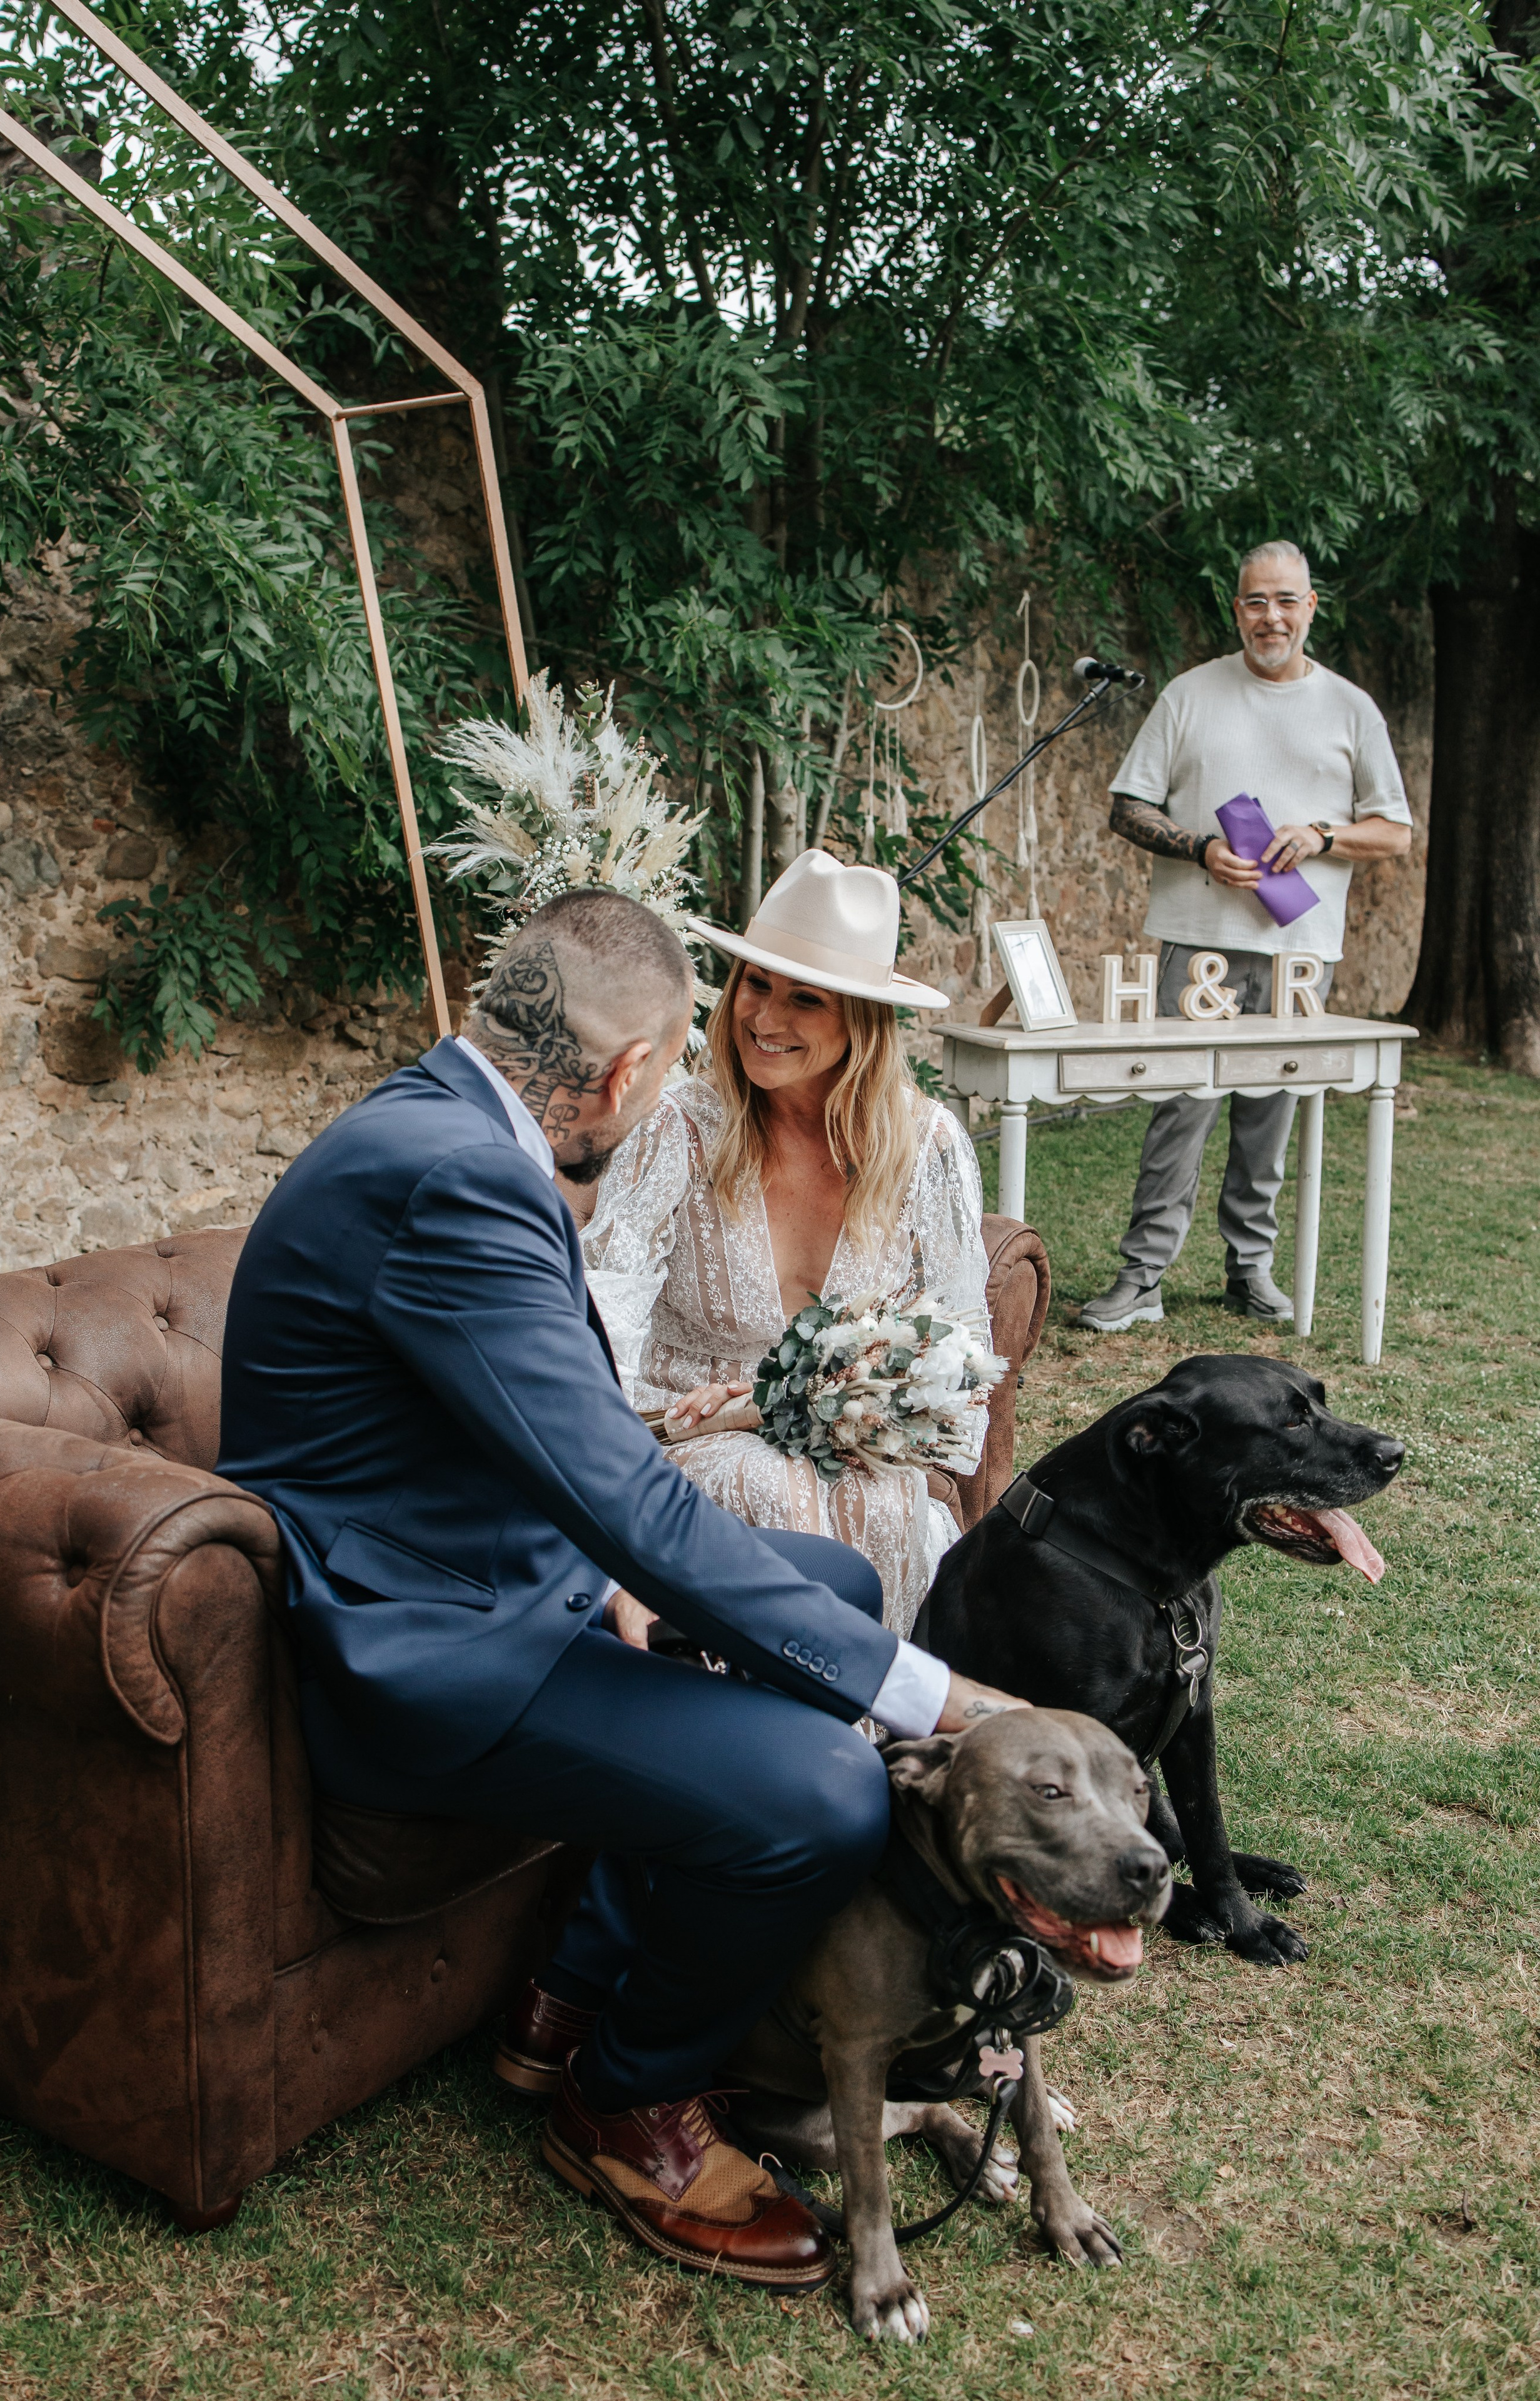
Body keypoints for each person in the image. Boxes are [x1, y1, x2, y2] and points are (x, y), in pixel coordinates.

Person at [215, 885, 1019, 2293]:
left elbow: (527, 1436)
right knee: (830, 1794)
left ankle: (572, 1990)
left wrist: (604, 1573)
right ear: (630, 1068)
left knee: (832, 1577)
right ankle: (627, 2100)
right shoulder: (459, 1181)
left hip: (498, 1577)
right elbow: (625, 1492)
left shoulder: (439, 1131)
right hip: (432, 1656)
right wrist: (935, 1696)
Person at [581, 848, 987, 1638]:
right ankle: (791, 1709)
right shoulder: (678, 1129)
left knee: (879, 1499)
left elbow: (959, 1367)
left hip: (850, 1438)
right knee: (772, 1486)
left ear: (860, 1021)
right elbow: (606, 1321)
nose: (764, 1019)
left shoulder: (926, 1146)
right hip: (683, 1427)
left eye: (805, 999)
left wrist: (779, 1402)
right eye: (756, 984)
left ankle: (864, 1711)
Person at [1078, 538, 1413, 1331]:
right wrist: (1200, 848)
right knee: (1180, 1106)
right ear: (1236, 610)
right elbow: (1127, 806)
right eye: (1256, 601)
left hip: (1301, 948)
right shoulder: (1189, 695)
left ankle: (1250, 1271)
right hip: (1199, 937)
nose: (1272, 617)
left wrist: (1322, 836)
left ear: (1310, 607)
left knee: (1272, 1112)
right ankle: (1142, 1276)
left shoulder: (1351, 709)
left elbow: (1394, 831)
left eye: (1286, 600)